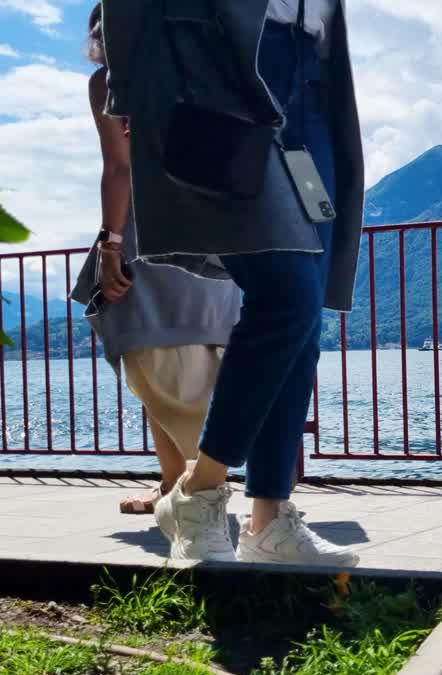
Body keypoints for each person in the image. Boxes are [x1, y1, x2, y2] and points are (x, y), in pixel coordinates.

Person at [99, 0, 363, 565]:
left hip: (312, 78)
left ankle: (268, 515)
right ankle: (200, 489)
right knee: (286, 295)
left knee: (305, 313)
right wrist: (133, 88)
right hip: (223, 68)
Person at [74, 4, 240, 516]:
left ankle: (189, 484)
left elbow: (118, 169)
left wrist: (110, 245)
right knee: (201, 349)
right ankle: (181, 482)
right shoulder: (203, 65)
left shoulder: (109, 82)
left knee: (149, 346)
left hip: (153, 227)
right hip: (217, 226)